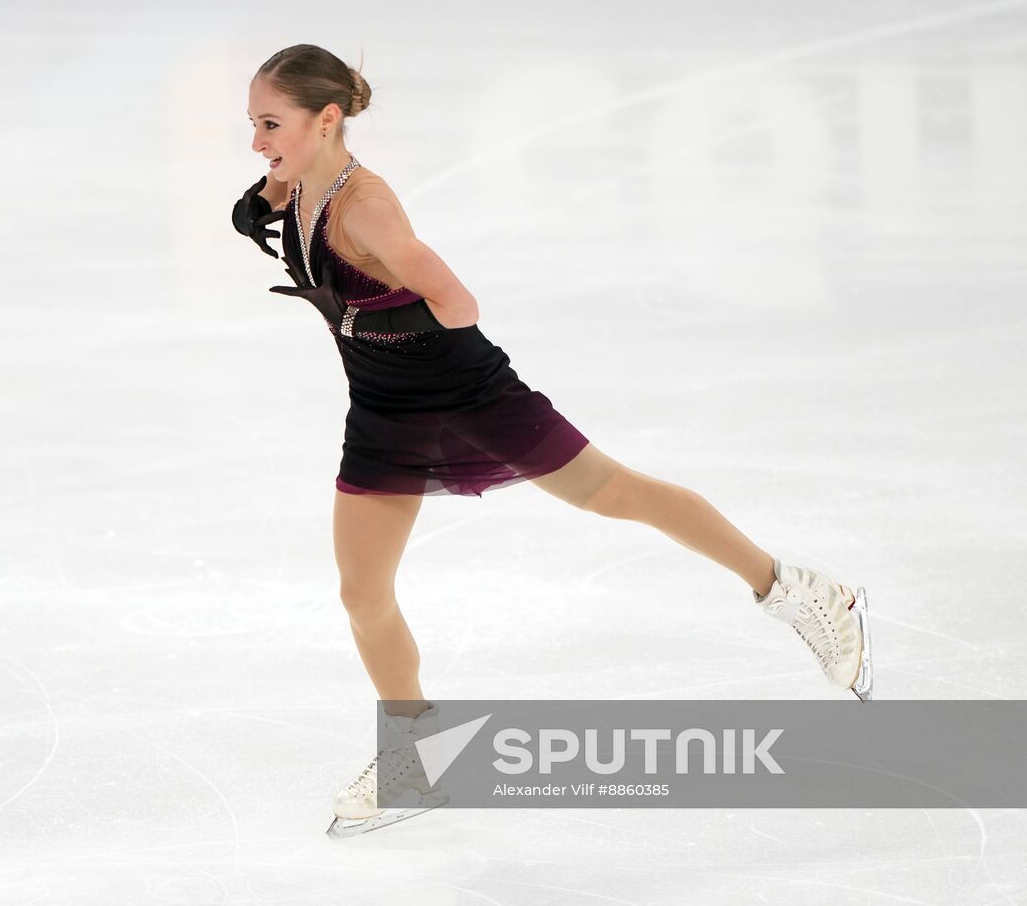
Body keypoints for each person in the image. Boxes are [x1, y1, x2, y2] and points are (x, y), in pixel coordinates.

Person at [232, 44, 873, 829]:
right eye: (255, 125)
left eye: (271, 124)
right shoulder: (301, 179)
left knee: (613, 494)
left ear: (326, 119)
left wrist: (361, 313)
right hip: (384, 404)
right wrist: (262, 199)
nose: (259, 141)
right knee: (362, 592)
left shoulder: (366, 206)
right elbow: (279, 194)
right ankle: (418, 750)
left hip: (466, 390)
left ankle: (800, 590)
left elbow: (458, 303)